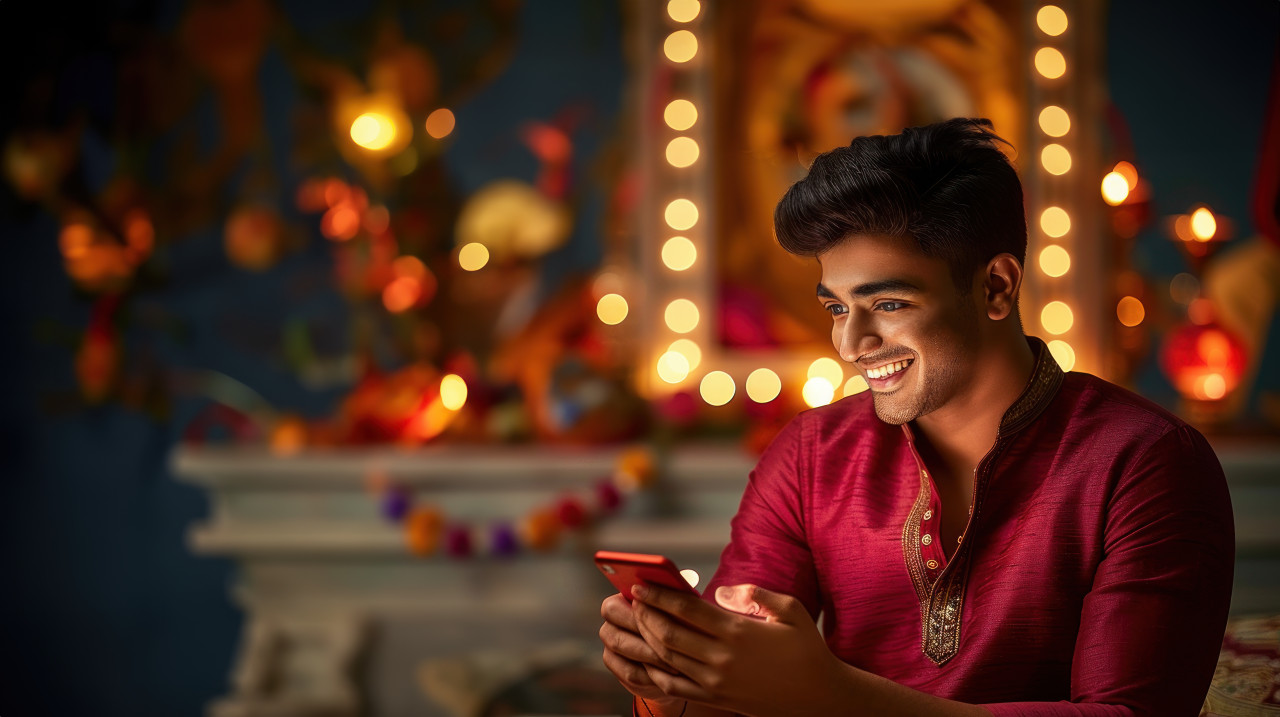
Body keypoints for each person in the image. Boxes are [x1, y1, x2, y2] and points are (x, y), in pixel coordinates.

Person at [598, 118, 1235, 716]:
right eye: (837, 309)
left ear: (995, 288)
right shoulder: (812, 454)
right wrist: (673, 680)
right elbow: (741, 682)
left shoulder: (1146, 461)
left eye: (890, 302)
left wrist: (829, 697)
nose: (850, 345)